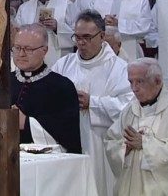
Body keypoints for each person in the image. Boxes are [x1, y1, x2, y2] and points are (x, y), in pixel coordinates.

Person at [51, 10, 132, 196]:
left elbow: (128, 107)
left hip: (100, 143)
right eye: (77, 37)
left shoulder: (118, 68)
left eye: (87, 37)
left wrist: (92, 103)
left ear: (102, 36)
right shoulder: (64, 64)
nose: (81, 42)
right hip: (67, 141)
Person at [105, 58, 168, 196]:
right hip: (131, 184)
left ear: (157, 81)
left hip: (162, 189)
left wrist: (144, 144)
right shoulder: (130, 110)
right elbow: (111, 141)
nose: (134, 88)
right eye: (131, 82)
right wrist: (125, 147)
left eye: (140, 81)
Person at [10, 23, 81, 153]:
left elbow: (68, 136)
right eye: (17, 47)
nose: (21, 54)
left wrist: (25, 123)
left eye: (28, 49)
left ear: (44, 51)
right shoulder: (3, 83)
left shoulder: (62, 87)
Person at [14, 0, 75, 67]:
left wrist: (57, 27)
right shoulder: (24, 8)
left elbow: (77, 36)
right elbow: (16, 34)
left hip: (58, 59)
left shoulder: (67, 5)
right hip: (31, 59)